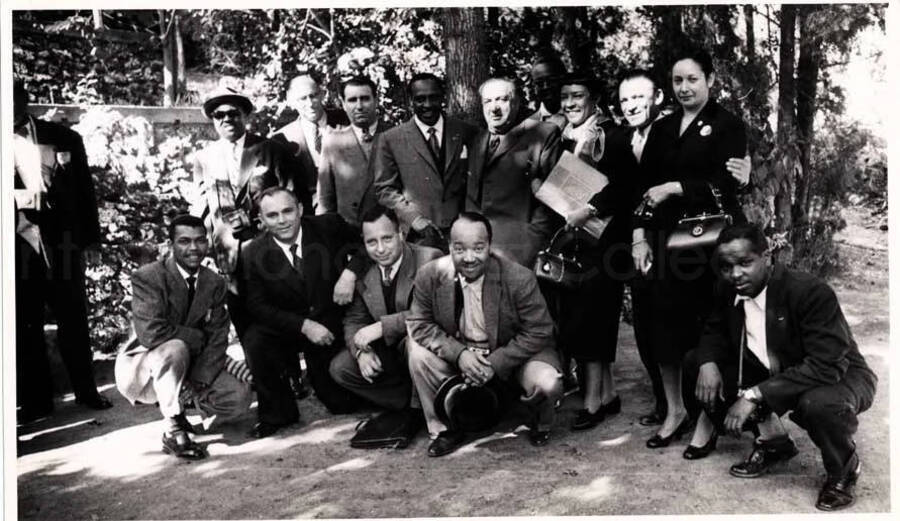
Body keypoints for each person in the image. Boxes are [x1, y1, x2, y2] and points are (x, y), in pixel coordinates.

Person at [682, 223, 876, 511]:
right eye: (726, 266)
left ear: (768, 257)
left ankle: (844, 470)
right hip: (777, 367)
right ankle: (775, 444)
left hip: (839, 375)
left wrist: (753, 395)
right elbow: (714, 330)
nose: (735, 274)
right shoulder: (727, 288)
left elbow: (827, 364)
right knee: (694, 363)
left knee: (817, 405)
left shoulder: (810, 292)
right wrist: (708, 363)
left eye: (746, 263)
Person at [618, 69, 753, 426]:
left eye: (692, 79)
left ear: (710, 79)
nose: (684, 87)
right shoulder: (663, 128)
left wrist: (677, 187)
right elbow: (643, 189)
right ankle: (674, 410)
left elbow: (728, 184)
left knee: (711, 322)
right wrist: (638, 237)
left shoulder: (727, 124)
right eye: (677, 80)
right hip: (666, 240)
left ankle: (710, 414)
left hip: (711, 240)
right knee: (665, 324)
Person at [406, 212, 563, 457]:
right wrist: (459, 355)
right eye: (459, 249)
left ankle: (539, 420)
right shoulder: (430, 274)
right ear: (449, 247)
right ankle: (444, 428)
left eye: (478, 248)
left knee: (548, 381)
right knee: (416, 353)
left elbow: (540, 330)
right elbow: (418, 323)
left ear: (489, 245)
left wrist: (495, 363)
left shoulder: (518, 277)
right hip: (462, 354)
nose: (469, 258)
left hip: (510, 355)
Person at [13, 80, 113, 423]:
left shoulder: (64, 138)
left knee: (73, 317)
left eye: (13, 98)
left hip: (63, 242)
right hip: (15, 245)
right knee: (24, 324)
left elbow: (85, 192)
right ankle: (37, 401)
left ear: (25, 99)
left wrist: (92, 240)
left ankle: (87, 391)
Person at [115, 215, 252, 460]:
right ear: (170, 245)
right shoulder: (149, 277)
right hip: (142, 370)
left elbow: (218, 336)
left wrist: (197, 382)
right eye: (184, 241)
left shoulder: (214, 282)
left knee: (238, 397)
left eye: (200, 241)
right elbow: (151, 333)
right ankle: (173, 427)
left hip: (189, 367)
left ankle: (180, 401)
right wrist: (197, 337)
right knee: (175, 347)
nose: (193, 248)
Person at [240, 187, 366, 438]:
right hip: (291, 327)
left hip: (330, 324)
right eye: (272, 215)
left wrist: (350, 273)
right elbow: (256, 306)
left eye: (287, 211)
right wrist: (304, 326)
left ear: (300, 209)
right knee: (255, 339)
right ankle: (277, 412)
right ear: (262, 221)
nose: (282, 220)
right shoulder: (252, 252)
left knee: (340, 403)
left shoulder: (328, 226)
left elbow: (368, 245)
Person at [553, 72, 635, 430]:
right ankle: (608, 394)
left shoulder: (610, 136)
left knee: (597, 317)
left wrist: (590, 210)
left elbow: (625, 188)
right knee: (582, 316)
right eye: (565, 96)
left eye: (578, 95)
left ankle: (593, 402)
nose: (571, 102)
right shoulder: (563, 136)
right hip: (577, 241)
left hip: (606, 240)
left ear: (594, 98)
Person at [328, 206, 442, 444]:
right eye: (372, 242)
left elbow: (434, 313)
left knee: (415, 342)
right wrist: (361, 353)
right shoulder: (362, 269)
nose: (380, 249)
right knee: (340, 368)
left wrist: (382, 327)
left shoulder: (429, 259)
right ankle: (411, 401)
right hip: (391, 353)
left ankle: (420, 408)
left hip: (423, 347)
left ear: (401, 233)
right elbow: (354, 319)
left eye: (387, 238)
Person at [372, 73, 479, 250]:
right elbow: (385, 189)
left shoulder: (466, 132)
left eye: (434, 98)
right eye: (420, 99)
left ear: (443, 97)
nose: (428, 105)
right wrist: (414, 219)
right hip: (419, 236)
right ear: (410, 101)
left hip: (463, 232)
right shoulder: (391, 139)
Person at [466, 77, 562, 267]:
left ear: (516, 102)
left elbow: (551, 202)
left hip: (520, 252)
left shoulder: (543, 134)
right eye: (488, 101)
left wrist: (529, 247)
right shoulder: (476, 140)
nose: (494, 108)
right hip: (477, 250)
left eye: (502, 99)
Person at [317, 76, 392, 227]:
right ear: (343, 104)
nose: (359, 106)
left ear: (376, 100)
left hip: (391, 230)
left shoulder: (396, 135)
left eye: (365, 99)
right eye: (352, 100)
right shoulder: (333, 142)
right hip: (350, 234)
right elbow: (326, 200)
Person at [271, 74, 349, 203]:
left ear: (323, 94)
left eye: (313, 96)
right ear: (291, 102)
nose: (310, 103)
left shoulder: (346, 120)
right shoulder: (282, 140)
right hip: (311, 214)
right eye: (302, 98)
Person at [527, 52, 567, 129]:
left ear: (564, 80)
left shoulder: (583, 117)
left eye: (551, 81)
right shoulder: (528, 126)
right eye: (539, 83)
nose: (546, 87)